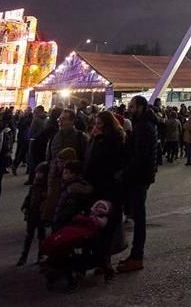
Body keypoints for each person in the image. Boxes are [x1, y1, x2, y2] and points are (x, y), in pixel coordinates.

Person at [117, 95, 160, 274]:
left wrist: (125, 173)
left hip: (139, 177)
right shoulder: (145, 124)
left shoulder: (143, 127)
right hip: (143, 175)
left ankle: (137, 256)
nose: (130, 109)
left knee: (139, 217)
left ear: (141, 107)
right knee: (137, 215)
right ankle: (135, 255)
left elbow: (140, 156)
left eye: (133, 106)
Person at [83, 111, 126, 279]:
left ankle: (105, 260)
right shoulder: (96, 138)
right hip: (96, 186)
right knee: (97, 224)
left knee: (107, 225)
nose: (97, 126)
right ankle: (100, 259)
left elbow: (110, 161)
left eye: (100, 123)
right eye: (96, 123)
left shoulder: (112, 139)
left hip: (108, 187)